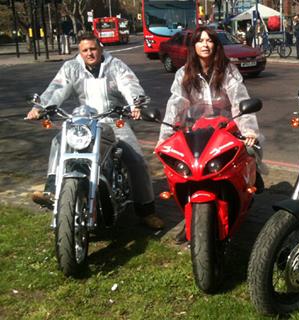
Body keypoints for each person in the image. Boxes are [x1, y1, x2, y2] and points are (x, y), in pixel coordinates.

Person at [26, 32, 164, 230]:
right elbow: (56, 88)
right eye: (85, 50)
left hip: (113, 119)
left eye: (93, 49)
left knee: (136, 160)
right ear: (79, 52)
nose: (90, 53)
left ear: (100, 48)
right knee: (59, 141)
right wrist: (40, 107)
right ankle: (52, 190)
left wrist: (136, 103)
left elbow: (130, 84)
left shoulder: (115, 65)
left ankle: (146, 210)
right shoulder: (71, 67)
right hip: (83, 120)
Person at [156, 26, 266, 243]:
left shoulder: (228, 70)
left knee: (250, 150)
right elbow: (175, 105)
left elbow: (239, 101)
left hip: (226, 127)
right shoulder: (183, 73)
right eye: (200, 41)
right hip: (194, 130)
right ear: (193, 46)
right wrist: (165, 136)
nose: (205, 45)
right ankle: (191, 220)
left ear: (216, 45)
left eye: (209, 41)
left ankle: (253, 179)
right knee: (184, 172)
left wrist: (249, 130)